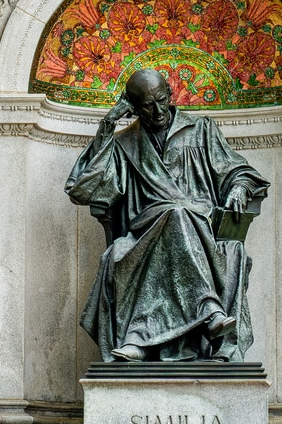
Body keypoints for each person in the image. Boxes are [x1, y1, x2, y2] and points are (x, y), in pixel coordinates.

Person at [65, 68, 268, 362]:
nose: (157, 110)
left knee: (179, 212)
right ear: (132, 106)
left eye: (161, 100)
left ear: (171, 94)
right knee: (172, 213)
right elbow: (84, 189)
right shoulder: (124, 143)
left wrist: (239, 186)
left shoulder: (201, 130)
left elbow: (238, 170)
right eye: (147, 105)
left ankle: (139, 340)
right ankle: (208, 311)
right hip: (146, 229)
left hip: (200, 224)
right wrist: (108, 125)